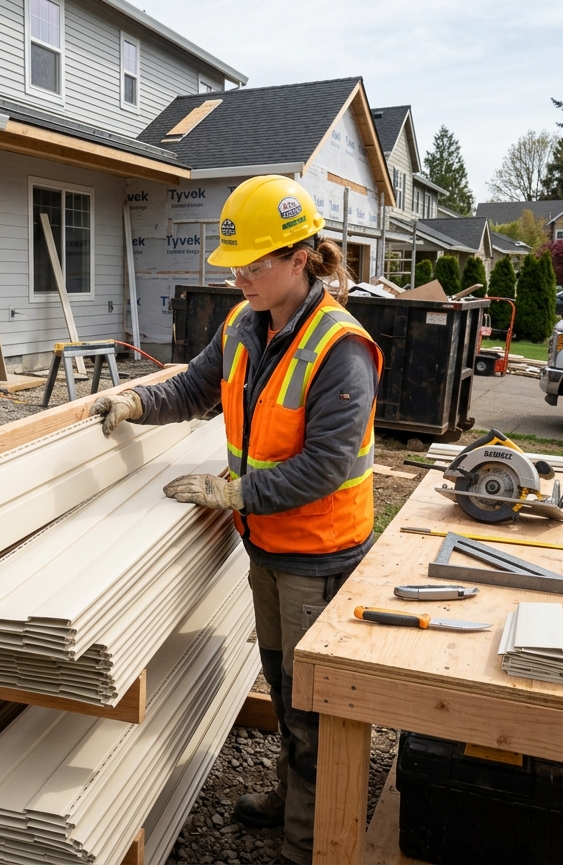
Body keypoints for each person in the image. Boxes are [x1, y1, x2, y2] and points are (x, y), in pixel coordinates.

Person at [90, 175, 382, 863]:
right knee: (284, 686)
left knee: (313, 706)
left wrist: (234, 496)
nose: (241, 278)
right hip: (269, 546)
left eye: (253, 265)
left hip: (320, 554)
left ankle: (306, 845)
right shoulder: (245, 324)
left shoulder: (341, 348)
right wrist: (136, 403)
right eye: (235, 266)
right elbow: (195, 387)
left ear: (300, 258)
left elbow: (325, 467)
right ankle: (291, 797)